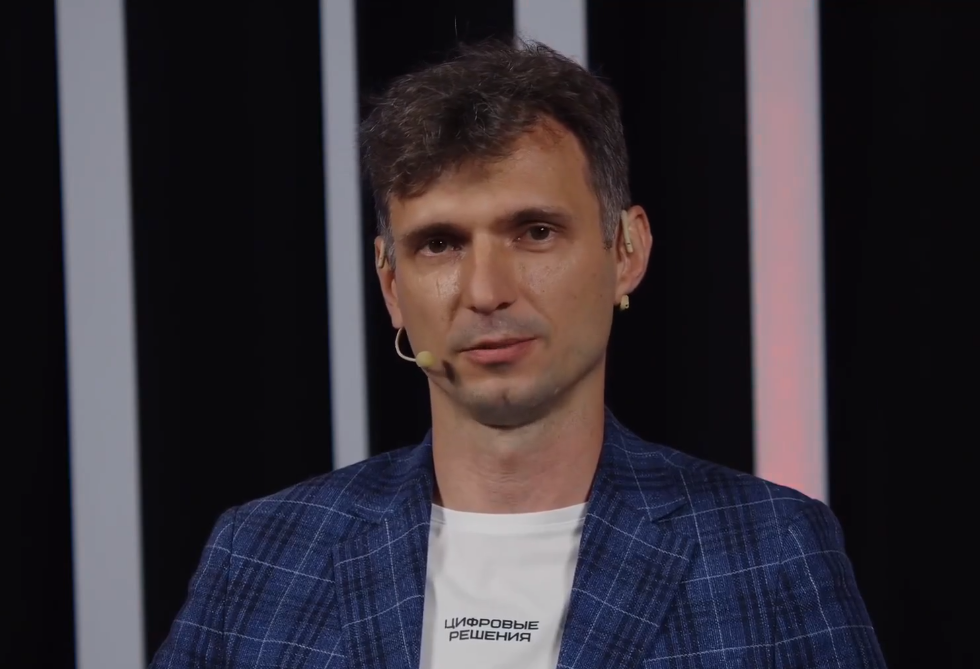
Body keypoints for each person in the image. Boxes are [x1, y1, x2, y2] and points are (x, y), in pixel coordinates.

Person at [150, 38, 886, 669]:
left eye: (534, 232)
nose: (486, 291)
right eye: (441, 243)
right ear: (392, 284)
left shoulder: (770, 549)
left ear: (626, 251)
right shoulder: (263, 550)